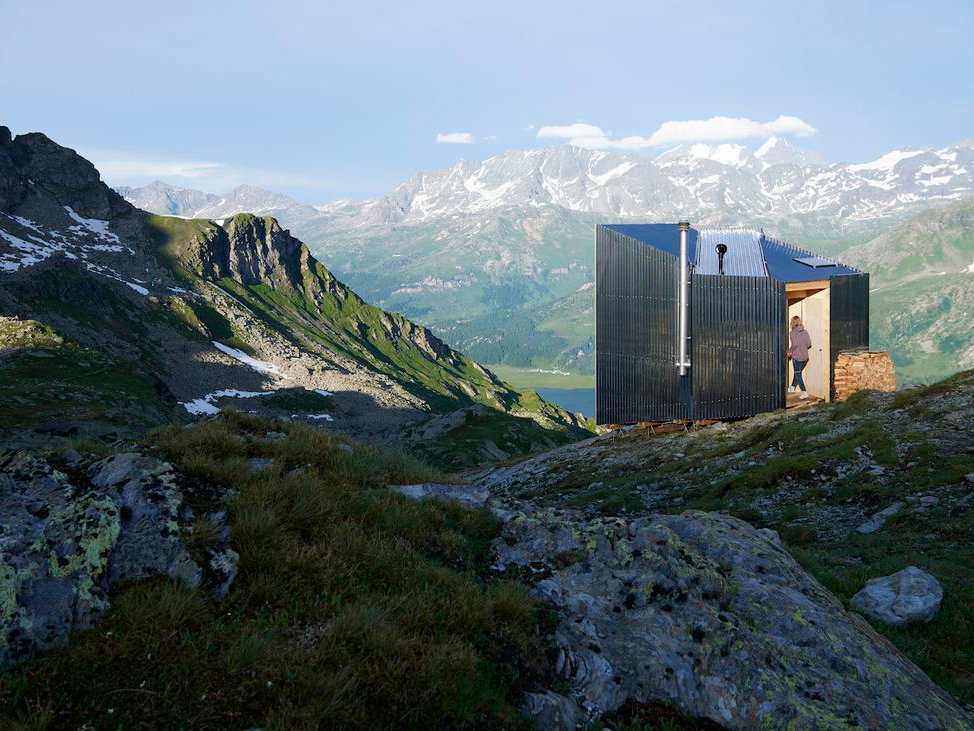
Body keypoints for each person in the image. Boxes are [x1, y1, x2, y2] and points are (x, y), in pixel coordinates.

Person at [788, 315, 812, 400]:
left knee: (798, 374)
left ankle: (804, 392)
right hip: (805, 357)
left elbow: (794, 344)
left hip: (797, 357)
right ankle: (792, 387)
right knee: (797, 372)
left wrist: (789, 351)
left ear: (792, 323)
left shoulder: (792, 333)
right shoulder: (805, 331)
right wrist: (803, 346)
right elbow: (809, 344)